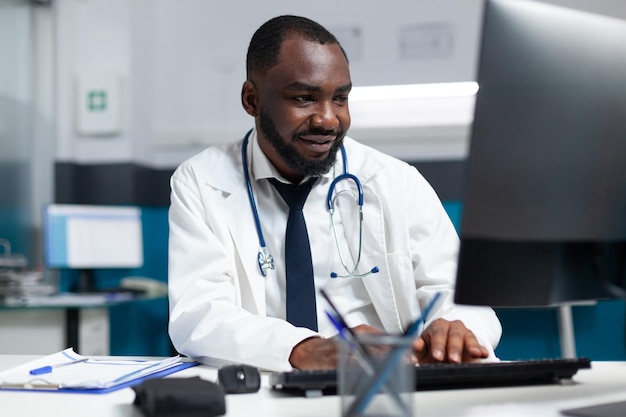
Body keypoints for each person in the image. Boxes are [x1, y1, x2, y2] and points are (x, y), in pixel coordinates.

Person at [168, 15, 501, 372]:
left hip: (379, 390)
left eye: (340, 99)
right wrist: (302, 349)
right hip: (267, 388)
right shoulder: (202, 181)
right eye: (303, 98)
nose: (328, 119)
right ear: (252, 100)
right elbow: (198, 314)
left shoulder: (395, 181)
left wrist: (457, 328)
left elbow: (460, 295)